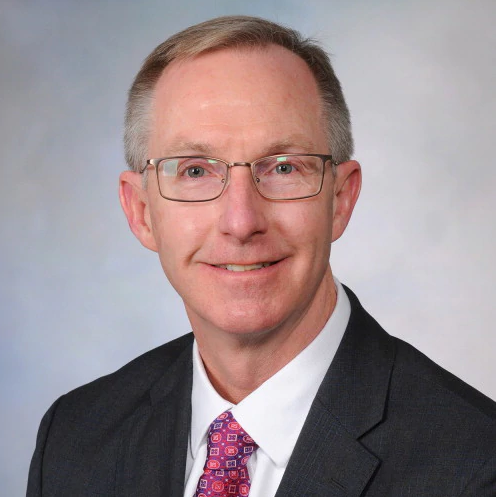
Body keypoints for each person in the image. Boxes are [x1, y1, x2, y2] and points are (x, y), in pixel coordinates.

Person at [27, 15, 496, 497]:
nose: (241, 221)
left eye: (284, 167)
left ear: (340, 199)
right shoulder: (74, 439)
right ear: (141, 211)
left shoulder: (476, 465)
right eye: (194, 171)